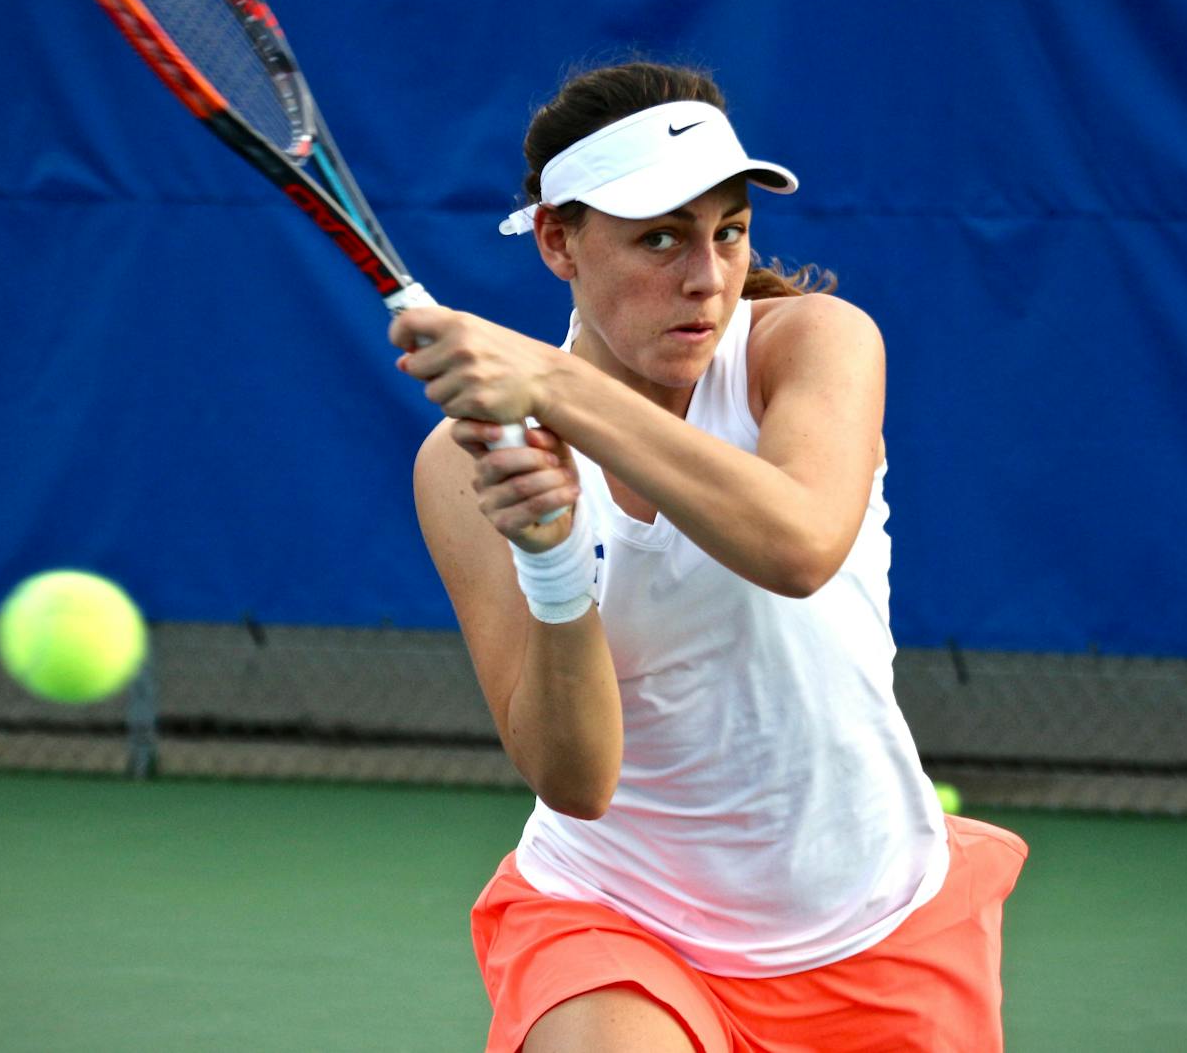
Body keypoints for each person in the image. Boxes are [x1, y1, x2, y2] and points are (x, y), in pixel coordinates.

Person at [390, 62, 1028, 1052]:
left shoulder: (811, 344)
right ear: (559, 241)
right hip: (618, 919)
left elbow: (798, 543)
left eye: (727, 230)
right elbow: (576, 780)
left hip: (877, 922)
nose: (706, 277)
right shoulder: (469, 464)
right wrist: (553, 561)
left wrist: (553, 385)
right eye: (658, 238)